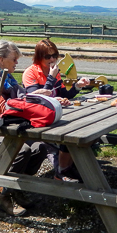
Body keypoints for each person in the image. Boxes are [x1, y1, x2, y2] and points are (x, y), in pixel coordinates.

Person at [0, 39, 52, 217]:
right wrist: (28, 101)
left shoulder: (7, 76)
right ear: (0, 59)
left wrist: (36, 94)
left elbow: (22, 96)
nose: (16, 62)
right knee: (22, 150)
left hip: (10, 131)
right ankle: (4, 196)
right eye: (13, 59)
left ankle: (16, 188)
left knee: (40, 147)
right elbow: (2, 108)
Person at [22, 39, 92, 181]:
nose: (52, 59)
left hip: (55, 116)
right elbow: (38, 100)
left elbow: (63, 95)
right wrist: (51, 78)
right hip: (37, 120)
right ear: (38, 57)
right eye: (47, 56)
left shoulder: (54, 72)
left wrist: (77, 86)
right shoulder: (31, 73)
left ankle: (66, 169)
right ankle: (62, 172)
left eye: (55, 55)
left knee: (83, 131)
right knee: (69, 138)